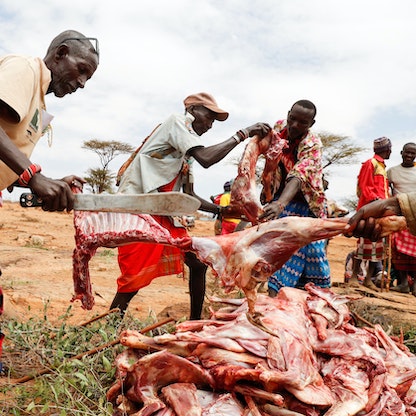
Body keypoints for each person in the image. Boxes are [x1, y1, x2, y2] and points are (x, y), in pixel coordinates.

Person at [111, 92, 271, 319]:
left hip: (162, 210)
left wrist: (220, 211)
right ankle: (110, 323)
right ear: (193, 110)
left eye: (214, 121)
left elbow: (189, 194)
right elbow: (207, 158)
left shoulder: (185, 154)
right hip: (142, 207)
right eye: (209, 117)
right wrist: (242, 134)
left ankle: (195, 322)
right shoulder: (176, 123)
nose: (210, 125)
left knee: (198, 263)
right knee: (134, 276)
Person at [0, 30, 99, 373]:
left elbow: (9, 158)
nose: (83, 83)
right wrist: (33, 176)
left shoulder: (40, 107)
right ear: (60, 54)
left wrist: (49, 182)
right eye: (82, 69)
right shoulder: (25, 69)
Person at [258, 99, 330, 296]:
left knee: (314, 251)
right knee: (283, 247)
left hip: (307, 204)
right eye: (293, 119)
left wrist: (280, 204)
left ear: (311, 124)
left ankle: (317, 298)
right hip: (282, 196)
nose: (295, 125)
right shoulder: (279, 128)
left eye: (303, 122)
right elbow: (270, 160)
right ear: (288, 114)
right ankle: (275, 297)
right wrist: (267, 190)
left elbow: (298, 176)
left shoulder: (312, 143)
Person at [346, 137, 392, 291]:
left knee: (378, 246)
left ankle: (367, 279)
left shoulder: (382, 166)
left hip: (381, 211)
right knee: (364, 244)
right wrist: (377, 202)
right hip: (370, 210)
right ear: (386, 149)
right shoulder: (370, 163)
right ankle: (353, 277)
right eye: (390, 149)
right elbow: (365, 187)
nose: (391, 151)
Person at [386, 142, 416, 293]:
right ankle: (403, 283)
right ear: (401, 152)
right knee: (398, 249)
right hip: (398, 214)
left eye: (413, 153)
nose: (409, 156)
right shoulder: (391, 171)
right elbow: (386, 190)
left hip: (415, 215)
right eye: (407, 152)